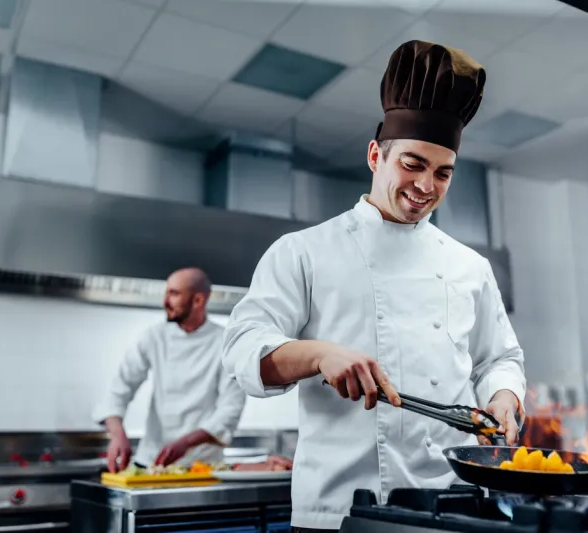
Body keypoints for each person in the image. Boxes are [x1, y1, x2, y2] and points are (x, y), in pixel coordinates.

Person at [222, 40, 527, 532]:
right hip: (339, 511)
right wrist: (320, 354)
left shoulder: (470, 266)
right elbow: (243, 352)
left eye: (442, 173)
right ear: (374, 155)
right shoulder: (304, 251)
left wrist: (505, 398)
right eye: (412, 164)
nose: (426, 186)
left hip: (452, 507)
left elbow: (500, 359)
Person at [94, 267, 246, 472]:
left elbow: (230, 410)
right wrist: (117, 434)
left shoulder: (225, 343)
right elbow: (120, 387)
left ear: (198, 300)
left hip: (201, 467)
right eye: (166, 292)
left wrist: (186, 443)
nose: (165, 301)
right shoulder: (154, 337)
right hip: (151, 462)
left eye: (174, 294)